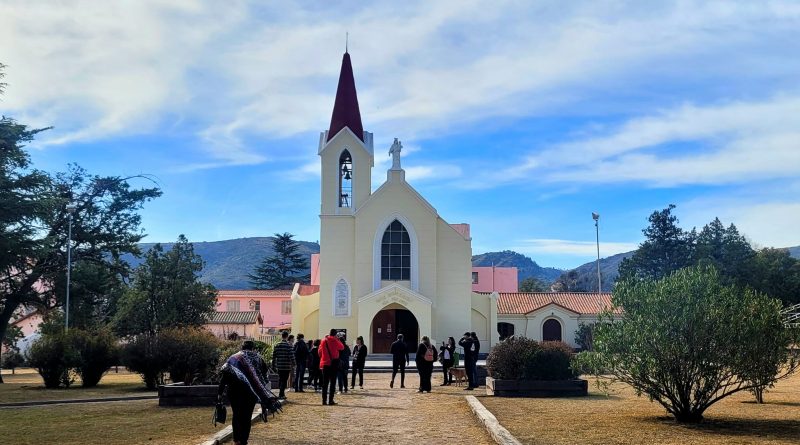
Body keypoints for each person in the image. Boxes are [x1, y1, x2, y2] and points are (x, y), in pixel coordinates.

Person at [218, 340, 275, 445]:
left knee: (237, 415)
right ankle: (244, 440)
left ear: (242, 347)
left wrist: (219, 393)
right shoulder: (259, 359)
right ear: (253, 348)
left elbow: (225, 377)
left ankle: (236, 440)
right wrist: (267, 395)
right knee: (247, 416)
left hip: (234, 391)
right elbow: (264, 377)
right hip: (251, 392)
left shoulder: (234, 358)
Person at [318, 328, 344, 405]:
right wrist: (337, 339)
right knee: (332, 383)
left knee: (325, 383)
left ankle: (324, 401)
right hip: (333, 364)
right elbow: (342, 347)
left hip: (325, 363)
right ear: (335, 334)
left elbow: (319, 352)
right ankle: (330, 400)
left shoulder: (323, 341)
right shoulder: (335, 340)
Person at [271, 330, 293, 399]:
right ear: (287, 336)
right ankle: (281, 394)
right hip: (286, 366)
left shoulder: (277, 345)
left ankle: (281, 393)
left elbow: (274, 356)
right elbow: (291, 356)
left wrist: (273, 365)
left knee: (280, 379)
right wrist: (294, 363)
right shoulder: (289, 346)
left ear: (282, 336)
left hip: (279, 365)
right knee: (284, 380)